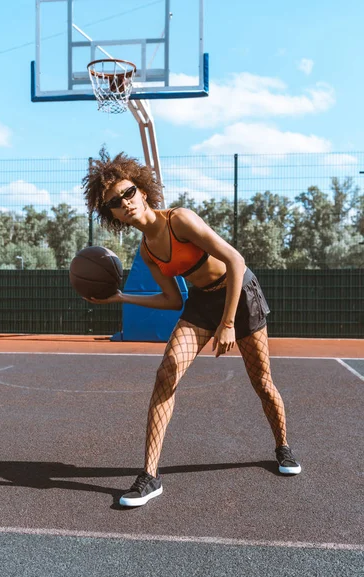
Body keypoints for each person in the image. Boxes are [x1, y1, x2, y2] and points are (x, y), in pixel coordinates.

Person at [83, 148, 301, 508]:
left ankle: (283, 447)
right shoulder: (149, 250)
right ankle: (149, 476)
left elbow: (235, 260)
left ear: (141, 189)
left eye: (128, 192)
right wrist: (119, 298)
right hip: (201, 301)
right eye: (115, 203)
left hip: (239, 292)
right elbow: (171, 300)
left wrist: (228, 323)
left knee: (262, 382)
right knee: (166, 372)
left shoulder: (178, 220)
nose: (125, 203)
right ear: (112, 215)